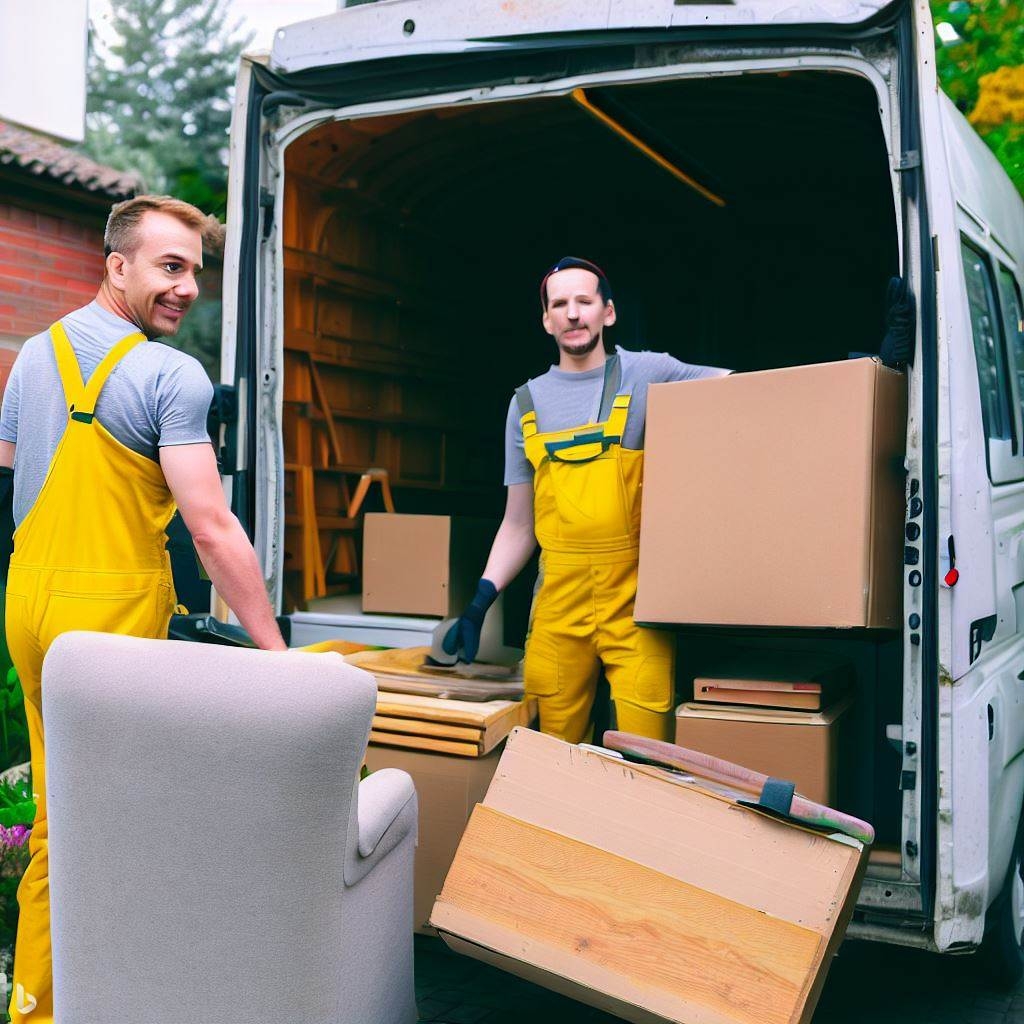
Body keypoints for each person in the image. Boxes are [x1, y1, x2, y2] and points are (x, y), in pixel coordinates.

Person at [0, 194, 287, 1024]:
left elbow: (11, 475)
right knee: (134, 824)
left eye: (195, 270)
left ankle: (37, 1006)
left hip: (31, 604)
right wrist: (274, 652)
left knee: (60, 824)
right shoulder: (169, 375)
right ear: (116, 266)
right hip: (109, 614)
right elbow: (211, 526)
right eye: (169, 266)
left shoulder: (32, 355)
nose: (188, 286)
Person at [444, 256, 728, 745]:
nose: (572, 313)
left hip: (636, 601)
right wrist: (478, 603)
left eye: (584, 301)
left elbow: (746, 389)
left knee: (650, 752)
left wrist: (879, 363)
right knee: (550, 751)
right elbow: (518, 523)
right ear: (547, 321)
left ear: (607, 313)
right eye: (560, 304)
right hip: (558, 602)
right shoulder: (525, 403)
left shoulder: (649, 373)